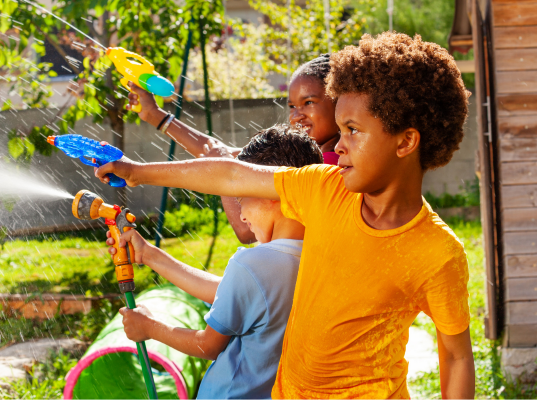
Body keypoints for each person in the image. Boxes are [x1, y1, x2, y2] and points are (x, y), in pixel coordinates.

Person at [96, 32, 475, 398]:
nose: (338, 145)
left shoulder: (438, 253)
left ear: (406, 141)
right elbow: (232, 172)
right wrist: (136, 171)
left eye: (354, 130)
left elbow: (456, 356)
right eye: (340, 129)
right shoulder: (325, 188)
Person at [114, 125, 324, 399]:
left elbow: (208, 345)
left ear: (272, 193)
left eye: (241, 199)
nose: (243, 216)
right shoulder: (319, 257)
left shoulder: (253, 263)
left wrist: (150, 327)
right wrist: (149, 254)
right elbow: (232, 293)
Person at [126, 54, 340, 244]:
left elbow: (245, 229)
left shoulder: (331, 167)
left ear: (339, 102)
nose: (296, 115)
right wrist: (154, 115)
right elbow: (217, 152)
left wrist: (134, 172)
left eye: (309, 102)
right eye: (292, 106)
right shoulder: (303, 154)